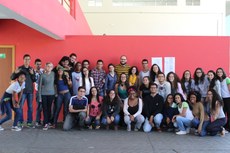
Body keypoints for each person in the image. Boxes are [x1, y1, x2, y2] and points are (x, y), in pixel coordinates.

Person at [11, 54, 36, 128]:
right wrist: (15, 72)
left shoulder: (31, 69)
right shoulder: (20, 68)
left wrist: (32, 74)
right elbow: (12, 78)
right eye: (26, 59)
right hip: (21, 91)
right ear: (23, 60)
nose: (27, 60)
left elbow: (34, 80)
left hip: (30, 91)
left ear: (30, 60)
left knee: (30, 107)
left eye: (28, 59)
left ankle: (29, 122)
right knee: (20, 107)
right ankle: (20, 122)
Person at [38, 62, 56, 130]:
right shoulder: (42, 75)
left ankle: (49, 122)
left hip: (51, 94)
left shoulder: (53, 74)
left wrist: (55, 93)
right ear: (45, 67)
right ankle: (45, 123)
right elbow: (39, 87)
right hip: (44, 94)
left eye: (51, 66)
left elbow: (55, 84)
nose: (49, 68)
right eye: (48, 66)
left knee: (50, 109)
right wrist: (39, 97)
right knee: (45, 109)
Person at [34, 58, 44, 127]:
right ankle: (38, 121)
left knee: (45, 107)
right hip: (38, 91)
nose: (39, 66)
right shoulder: (33, 72)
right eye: (37, 64)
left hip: (45, 91)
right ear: (35, 64)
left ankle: (46, 121)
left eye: (40, 64)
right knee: (39, 107)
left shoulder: (43, 71)